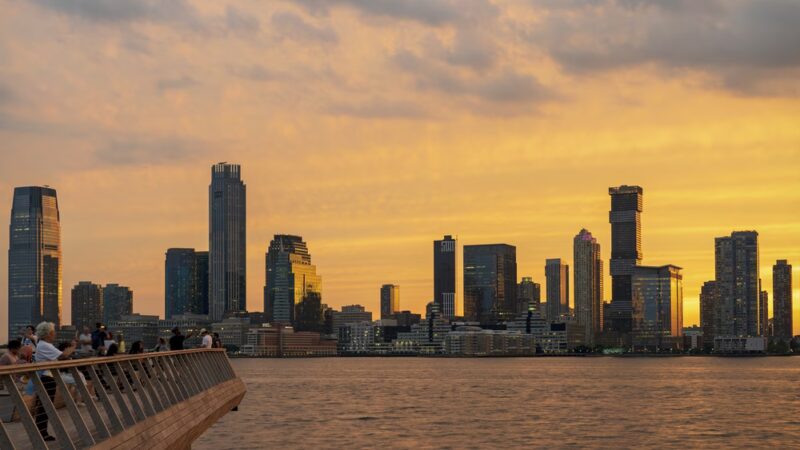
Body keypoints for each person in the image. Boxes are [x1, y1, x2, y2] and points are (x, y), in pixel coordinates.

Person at [32, 321, 75, 441]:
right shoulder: (45, 345)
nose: (54, 334)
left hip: (47, 377)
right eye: (53, 332)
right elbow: (63, 356)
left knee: (45, 406)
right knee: (45, 406)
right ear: (47, 334)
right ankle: (42, 433)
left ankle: (42, 432)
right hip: (46, 378)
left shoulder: (44, 344)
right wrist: (73, 347)